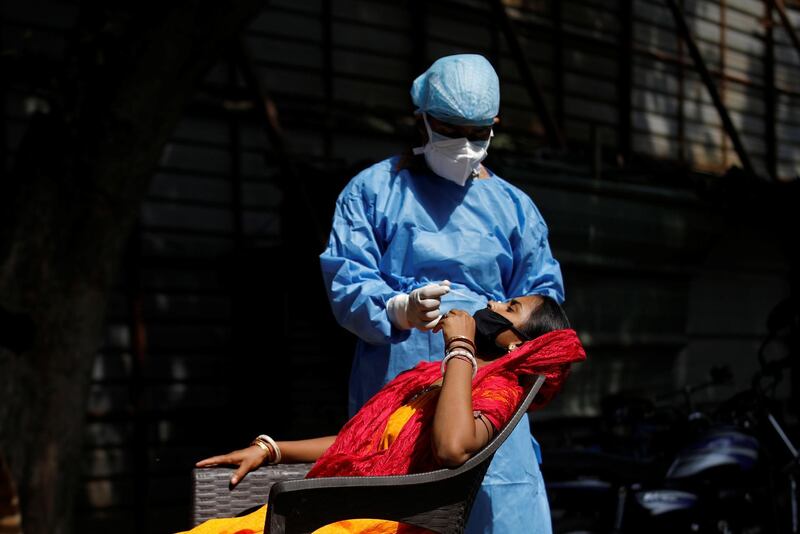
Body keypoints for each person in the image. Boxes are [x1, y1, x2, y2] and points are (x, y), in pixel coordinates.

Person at [319, 54, 564, 533]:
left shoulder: (515, 210)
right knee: (390, 506)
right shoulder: (373, 192)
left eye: (478, 133)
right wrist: (394, 309)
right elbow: (348, 280)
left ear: (495, 126)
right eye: (450, 128)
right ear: (422, 120)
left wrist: (490, 334)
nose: (465, 144)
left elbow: (541, 311)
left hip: (487, 406)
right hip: (397, 393)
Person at [181, 296, 585, 534]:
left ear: (517, 345)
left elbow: (452, 448)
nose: (493, 304)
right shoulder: (437, 379)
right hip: (336, 511)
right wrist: (270, 450)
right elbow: (361, 444)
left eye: (509, 308)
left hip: (380, 522)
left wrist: (460, 345)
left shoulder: (498, 391)